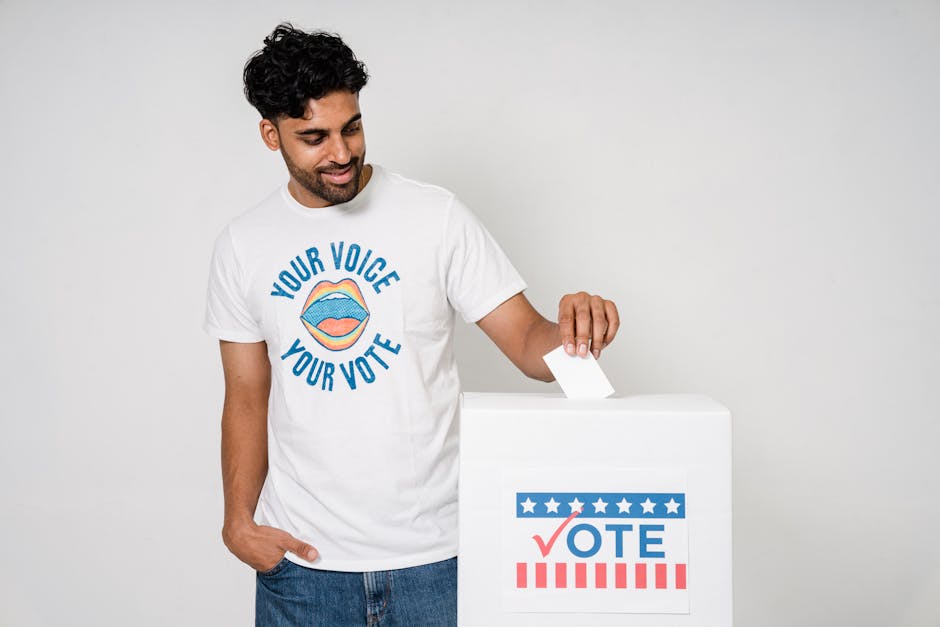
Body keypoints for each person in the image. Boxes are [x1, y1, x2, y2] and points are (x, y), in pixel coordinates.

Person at [204, 23, 620, 626]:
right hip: (304, 568)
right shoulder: (243, 245)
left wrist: (579, 326)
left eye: (352, 127)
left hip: (439, 561)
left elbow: (531, 345)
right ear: (271, 134)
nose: (342, 153)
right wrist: (238, 524)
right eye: (314, 137)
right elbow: (245, 395)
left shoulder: (435, 216)